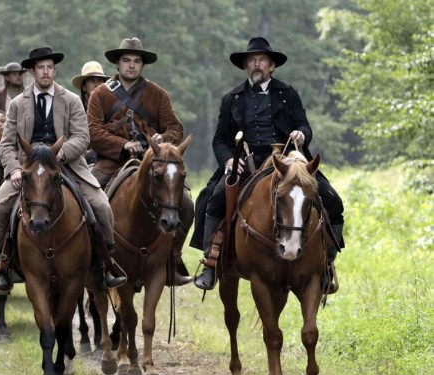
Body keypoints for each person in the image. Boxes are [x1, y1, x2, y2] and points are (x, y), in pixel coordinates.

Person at [192, 36, 345, 293]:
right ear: (245, 66)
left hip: (287, 159)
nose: (256, 64)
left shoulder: (288, 94)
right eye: (252, 60)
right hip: (246, 160)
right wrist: (228, 159)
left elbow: (304, 125)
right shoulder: (232, 98)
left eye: (262, 60)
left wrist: (301, 134)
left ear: (272, 66)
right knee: (212, 198)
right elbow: (219, 139)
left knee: (332, 199)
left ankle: (326, 263)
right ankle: (211, 261)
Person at [0, 46, 127, 293]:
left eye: (50, 67)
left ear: (54, 70)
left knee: (102, 207)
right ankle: (2, 266)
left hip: (66, 165)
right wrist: (14, 170)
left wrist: (62, 153)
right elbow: (7, 144)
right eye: (41, 68)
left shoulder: (71, 100)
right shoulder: (17, 104)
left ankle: (107, 264)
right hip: (28, 169)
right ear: (33, 71)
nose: (45, 72)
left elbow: (82, 137)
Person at [87, 37, 194, 286]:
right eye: (126, 60)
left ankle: (172, 258)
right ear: (117, 64)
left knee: (187, 204)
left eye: (136, 61)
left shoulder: (158, 94)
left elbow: (175, 128)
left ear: (142, 65)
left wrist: (162, 139)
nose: (131, 65)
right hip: (111, 163)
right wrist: (122, 145)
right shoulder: (100, 94)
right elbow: (92, 132)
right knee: (85, 202)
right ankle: (95, 261)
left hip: (155, 163)